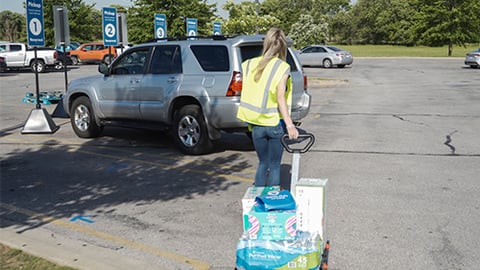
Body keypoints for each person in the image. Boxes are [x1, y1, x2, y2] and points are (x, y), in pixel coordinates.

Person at [237, 27, 299, 187]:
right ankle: (272, 203)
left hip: (255, 124)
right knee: (275, 166)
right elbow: (280, 98)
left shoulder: (248, 65)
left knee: (262, 163)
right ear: (283, 45)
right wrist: (290, 125)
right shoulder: (282, 67)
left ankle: (257, 201)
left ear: (265, 42)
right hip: (273, 123)